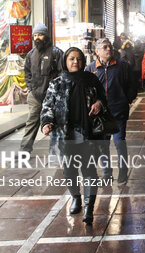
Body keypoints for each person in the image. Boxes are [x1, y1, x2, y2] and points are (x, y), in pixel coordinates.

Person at [40, 47, 106, 225]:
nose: (75, 62)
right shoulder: (57, 83)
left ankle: (89, 208)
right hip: (65, 137)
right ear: (65, 62)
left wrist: (99, 103)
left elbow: (103, 99)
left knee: (89, 172)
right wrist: (47, 122)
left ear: (83, 62)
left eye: (78, 59)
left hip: (89, 135)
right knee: (69, 171)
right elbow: (48, 106)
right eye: (71, 59)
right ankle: (76, 197)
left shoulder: (91, 80)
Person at [86, 38, 137, 184]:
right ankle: (107, 174)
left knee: (119, 142)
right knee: (103, 145)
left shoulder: (122, 66)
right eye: (105, 47)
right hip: (101, 114)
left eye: (110, 47)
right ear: (97, 51)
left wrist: (126, 99)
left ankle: (123, 171)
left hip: (118, 111)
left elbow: (132, 85)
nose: (109, 49)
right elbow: (88, 91)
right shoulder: (91, 69)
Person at [19, 24, 63, 154]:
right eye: (35, 35)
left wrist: (57, 91)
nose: (37, 38)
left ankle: (56, 151)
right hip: (35, 96)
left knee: (55, 123)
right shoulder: (30, 55)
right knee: (31, 122)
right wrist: (30, 88)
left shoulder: (56, 53)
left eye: (40, 34)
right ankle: (24, 150)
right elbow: (27, 72)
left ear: (46, 36)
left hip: (52, 96)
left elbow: (62, 73)